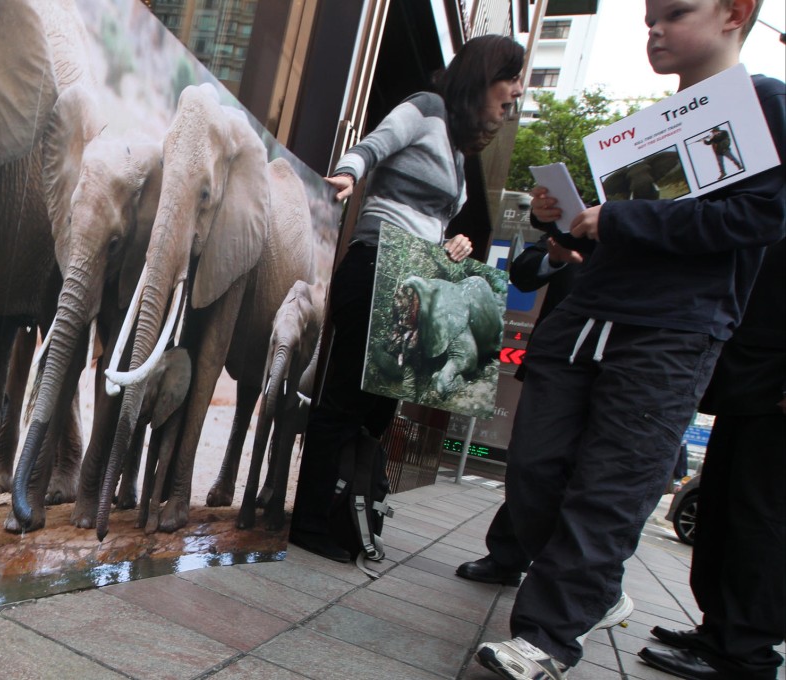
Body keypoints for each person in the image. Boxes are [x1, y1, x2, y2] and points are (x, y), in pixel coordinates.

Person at [475, 1, 785, 678]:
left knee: (611, 486)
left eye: (675, 13)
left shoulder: (763, 105)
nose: (655, 29)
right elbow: (620, 222)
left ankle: (547, 637)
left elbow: (761, 217)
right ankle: (597, 590)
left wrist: (620, 220)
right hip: (588, 315)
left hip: (675, 330)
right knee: (533, 471)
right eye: (649, 15)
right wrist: (565, 217)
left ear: (736, 13)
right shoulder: (647, 128)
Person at [289, 34, 526, 563]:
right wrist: (349, 173)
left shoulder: (460, 153)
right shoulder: (427, 109)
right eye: (510, 78)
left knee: (377, 410)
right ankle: (308, 521)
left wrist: (454, 243)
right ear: (484, 74)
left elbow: (430, 222)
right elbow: (373, 145)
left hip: (411, 283)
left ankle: (345, 514)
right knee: (348, 401)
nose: (515, 91)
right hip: (376, 267)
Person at [639, 238, 784, 679]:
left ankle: (744, 652)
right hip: (752, 382)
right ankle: (719, 631)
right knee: (724, 512)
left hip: (775, 391)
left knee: (761, 521)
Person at [457, 234, 584, 586]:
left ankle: (571, 574)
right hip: (561, 355)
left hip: (632, 361)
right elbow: (526, 269)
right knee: (530, 461)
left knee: (591, 476)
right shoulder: (586, 212)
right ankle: (508, 554)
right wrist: (557, 257)